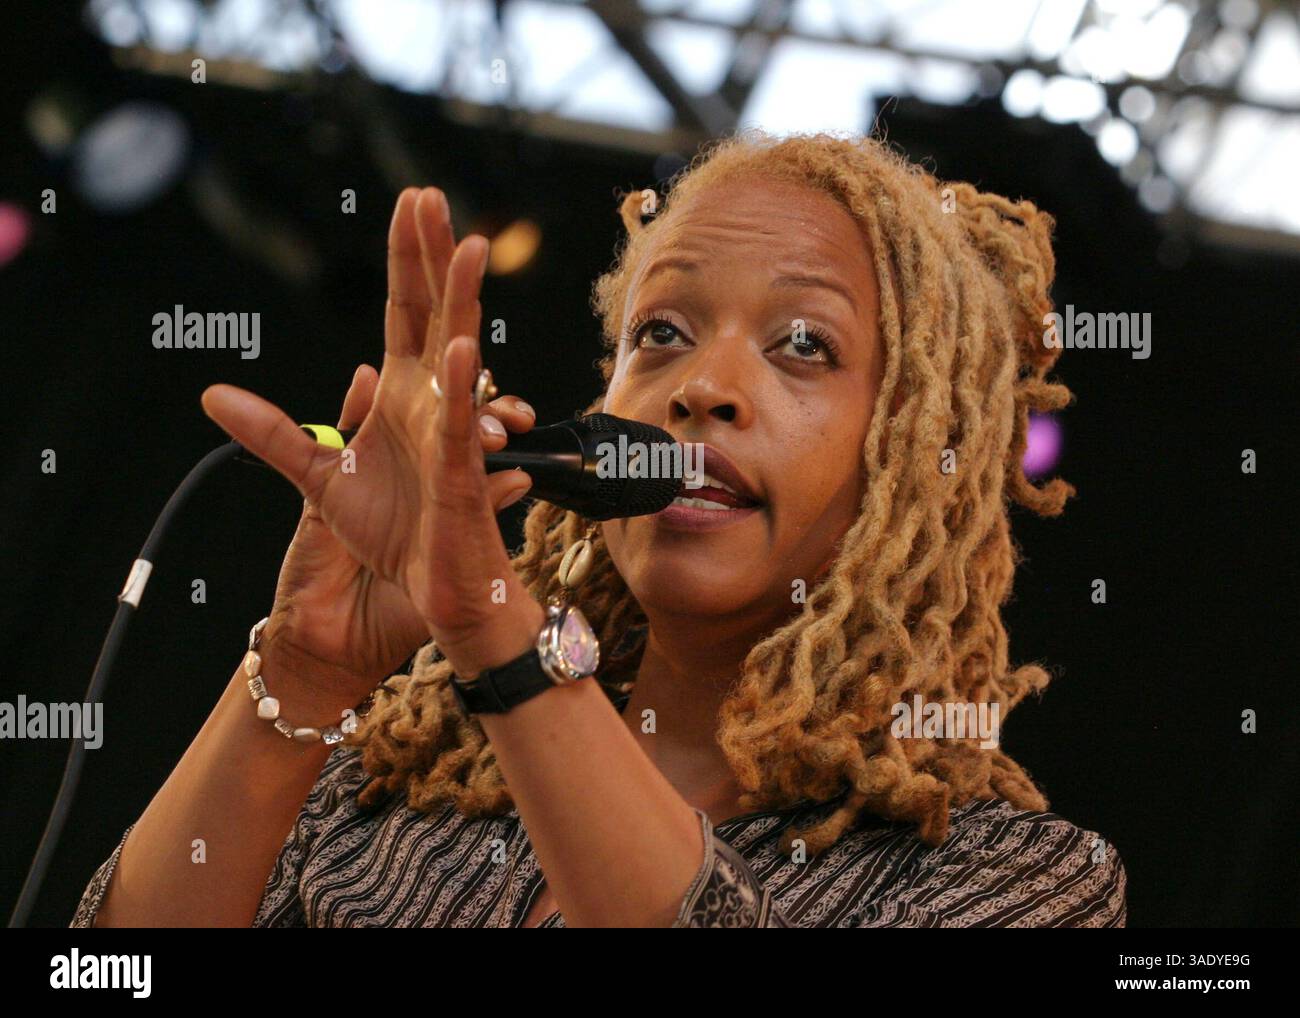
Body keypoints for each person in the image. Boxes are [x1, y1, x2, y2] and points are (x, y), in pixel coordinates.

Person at [72, 129, 1126, 928]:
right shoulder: (406, 773)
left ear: (914, 450)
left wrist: (499, 635)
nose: (704, 385)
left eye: (802, 344)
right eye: (659, 333)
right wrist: (303, 670)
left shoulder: (1008, 881)